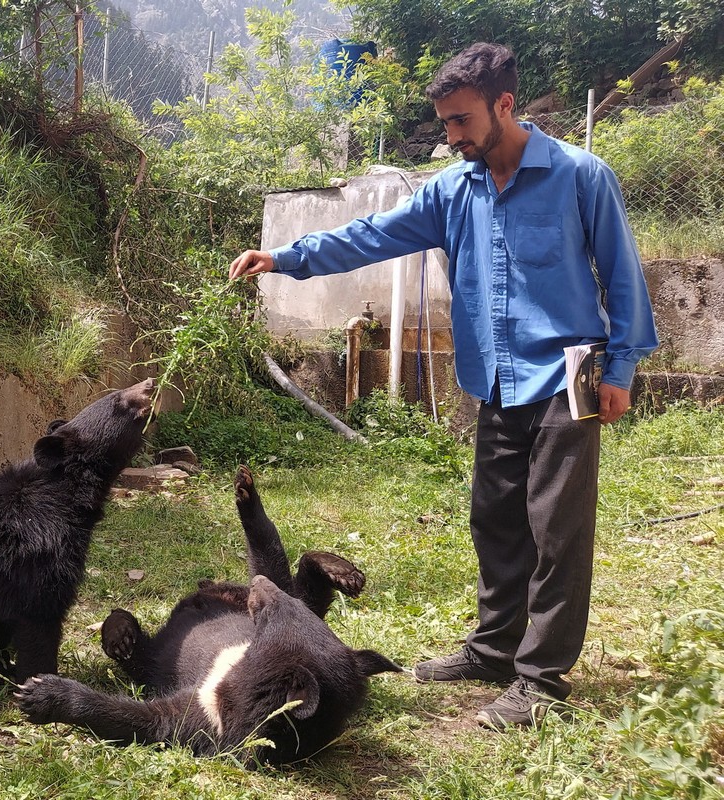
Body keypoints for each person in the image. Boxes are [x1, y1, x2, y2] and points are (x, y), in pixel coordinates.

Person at [229, 42, 659, 730]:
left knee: (557, 532)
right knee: (494, 523)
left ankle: (541, 681)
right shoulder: (452, 191)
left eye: (460, 121)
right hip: (493, 381)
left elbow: (623, 273)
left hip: (566, 377)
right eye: (445, 123)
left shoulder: (582, 176)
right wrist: (284, 257)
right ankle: (493, 649)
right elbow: (371, 236)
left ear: (504, 105)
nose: (450, 136)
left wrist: (624, 368)